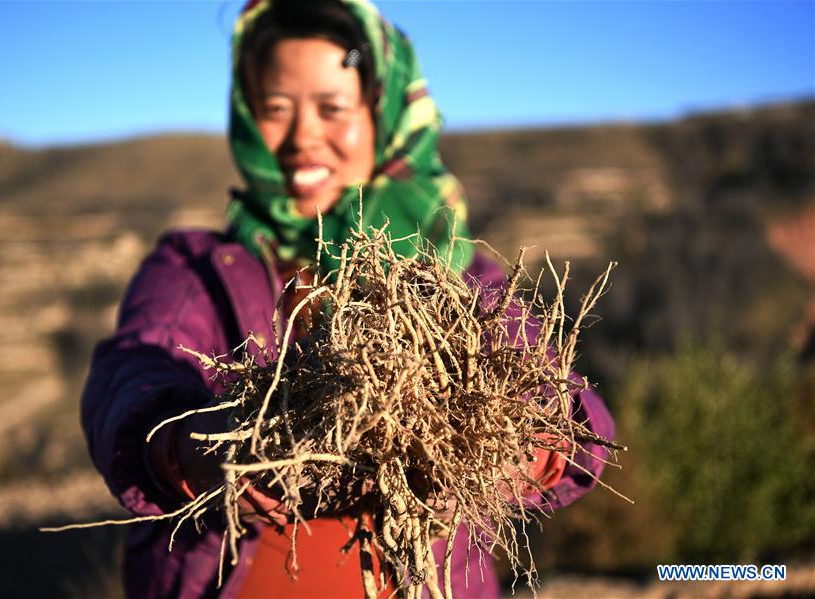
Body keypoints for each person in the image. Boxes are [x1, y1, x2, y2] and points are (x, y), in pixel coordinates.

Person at [80, 1, 615, 597]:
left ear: (381, 113)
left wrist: (522, 448)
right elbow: (132, 373)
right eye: (275, 108)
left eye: (332, 108)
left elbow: (574, 413)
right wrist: (192, 447)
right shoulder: (196, 268)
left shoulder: (465, 275)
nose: (303, 136)